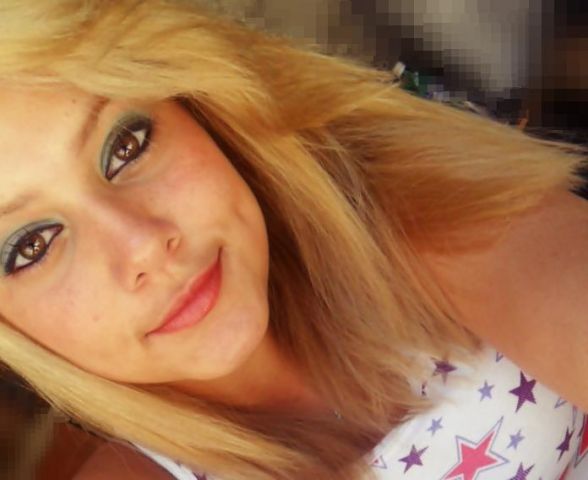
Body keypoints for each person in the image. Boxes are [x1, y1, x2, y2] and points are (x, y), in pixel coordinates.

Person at [0, 1, 588, 479]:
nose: (144, 245)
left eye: (126, 145)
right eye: (33, 245)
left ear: (197, 107)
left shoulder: (408, 201)